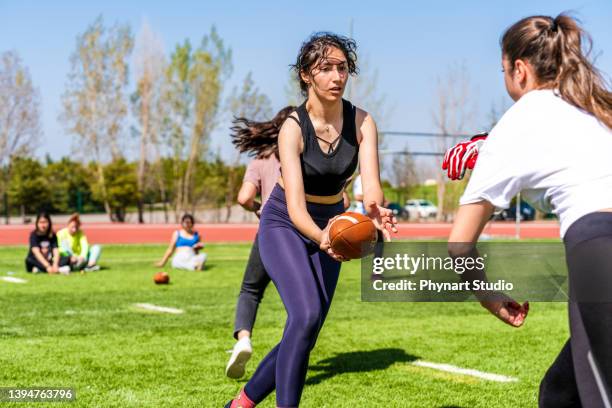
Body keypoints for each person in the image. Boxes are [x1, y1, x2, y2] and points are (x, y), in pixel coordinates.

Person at [446, 14, 612, 408]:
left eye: (503, 70)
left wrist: (488, 296)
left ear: (519, 70)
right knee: (559, 393)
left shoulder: (520, 118)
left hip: (599, 251)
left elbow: (459, 245)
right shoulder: (595, 105)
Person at [225, 32, 397, 408]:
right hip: (285, 221)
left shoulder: (363, 122)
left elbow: (372, 188)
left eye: (343, 68)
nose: (337, 76)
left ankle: (240, 404)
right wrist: (324, 237)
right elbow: (297, 208)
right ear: (306, 75)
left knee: (307, 329)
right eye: (326, 69)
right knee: (305, 314)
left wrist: (375, 210)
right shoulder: (292, 127)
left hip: (332, 220)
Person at [226, 107, 352, 379]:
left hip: (274, 231)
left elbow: (243, 197)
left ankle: (244, 339)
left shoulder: (261, 160)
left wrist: (259, 208)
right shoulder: (314, 154)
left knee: (251, 289)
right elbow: (345, 202)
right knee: (305, 316)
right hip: (315, 230)